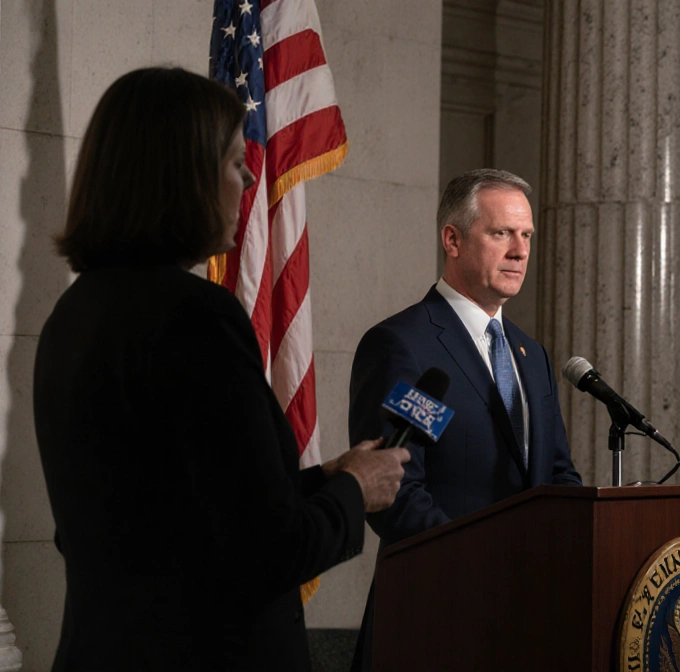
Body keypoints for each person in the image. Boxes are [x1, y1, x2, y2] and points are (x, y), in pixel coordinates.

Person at [33, 67, 410, 671]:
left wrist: (324, 479)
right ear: (182, 175)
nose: (251, 179)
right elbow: (269, 550)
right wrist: (355, 489)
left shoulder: (76, 313)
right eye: (237, 162)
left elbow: (174, 511)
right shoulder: (193, 317)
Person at [347, 168, 582, 668]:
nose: (520, 251)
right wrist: (487, 566)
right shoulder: (403, 345)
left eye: (526, 236)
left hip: (525, 621)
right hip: (432, 616)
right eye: (501, 233)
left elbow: (557, 475)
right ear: (452, 239)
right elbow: (395, 494)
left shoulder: (531, 355)